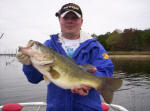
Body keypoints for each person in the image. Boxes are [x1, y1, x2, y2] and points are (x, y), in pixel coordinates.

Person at [17, 3, 114, 111]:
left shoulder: (94, 46)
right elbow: (33, 79)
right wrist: (29, 65)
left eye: (74, 17)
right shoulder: (49, 45)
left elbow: (107, 71)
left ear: (81, 21)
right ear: (60, 19)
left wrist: (90, 83)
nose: (70, 21)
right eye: (66, 17)